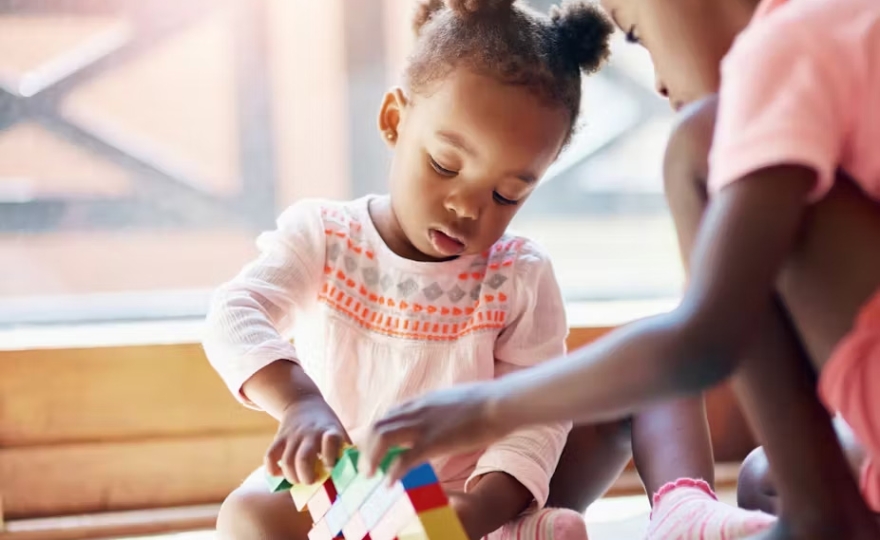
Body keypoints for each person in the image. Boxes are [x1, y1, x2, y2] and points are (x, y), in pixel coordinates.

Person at [361, 0, 880, 538]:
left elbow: (703, 344)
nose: (657, 81)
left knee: (699, 144)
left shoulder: (782, 52)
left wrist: (486, 407)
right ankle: (810, 511)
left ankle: (812, 515)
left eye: (638, 34)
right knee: (763, 479)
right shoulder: (846, 19)